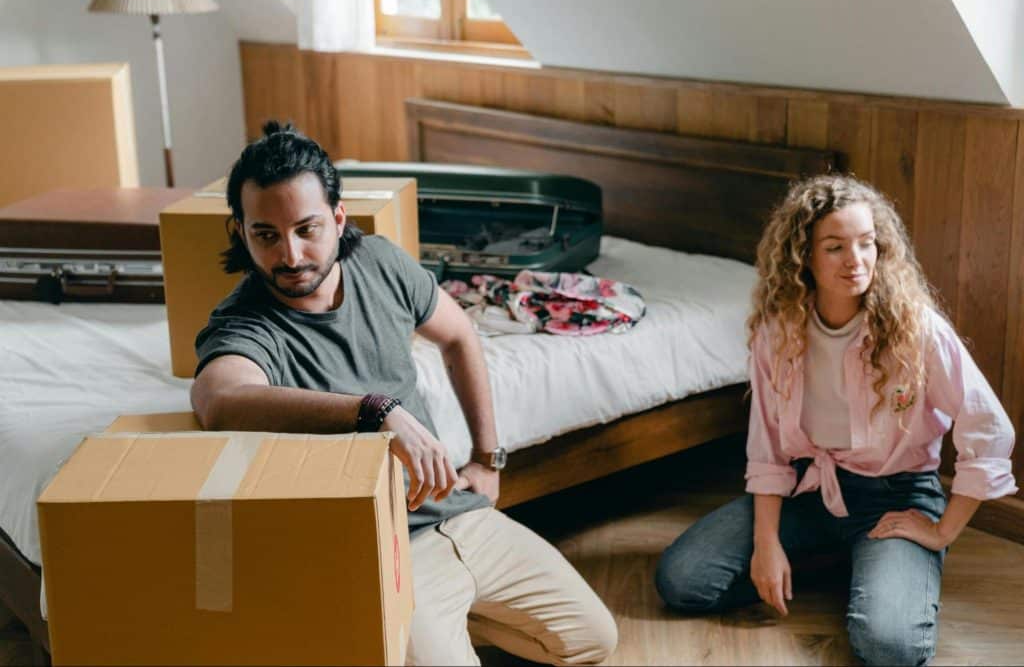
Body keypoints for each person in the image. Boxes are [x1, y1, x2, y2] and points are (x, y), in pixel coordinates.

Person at [190, 121, 617, 666]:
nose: (291, 255)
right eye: (266, 235)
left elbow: (460, 334)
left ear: (338, 219)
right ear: (241, 233)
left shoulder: (381, 262)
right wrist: (375, 411)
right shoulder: (245, 322)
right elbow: (220, 401)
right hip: (382, 544)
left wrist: (487, 458)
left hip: (460, 512)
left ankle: (448, 629)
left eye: (307, 228)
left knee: (595, 640)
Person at [654, 174, 1017, 666]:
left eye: (867, 244)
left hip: (897, 498)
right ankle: (843, 561)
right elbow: (767, 448)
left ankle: (881, 564)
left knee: (889, 647)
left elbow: (989, 427)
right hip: (812, 491)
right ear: (803, 255)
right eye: (835, 247)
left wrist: (942, 531)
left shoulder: (916, 327)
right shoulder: (777, 331)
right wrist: (766, 544)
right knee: (682, 580)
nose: (856, 261)